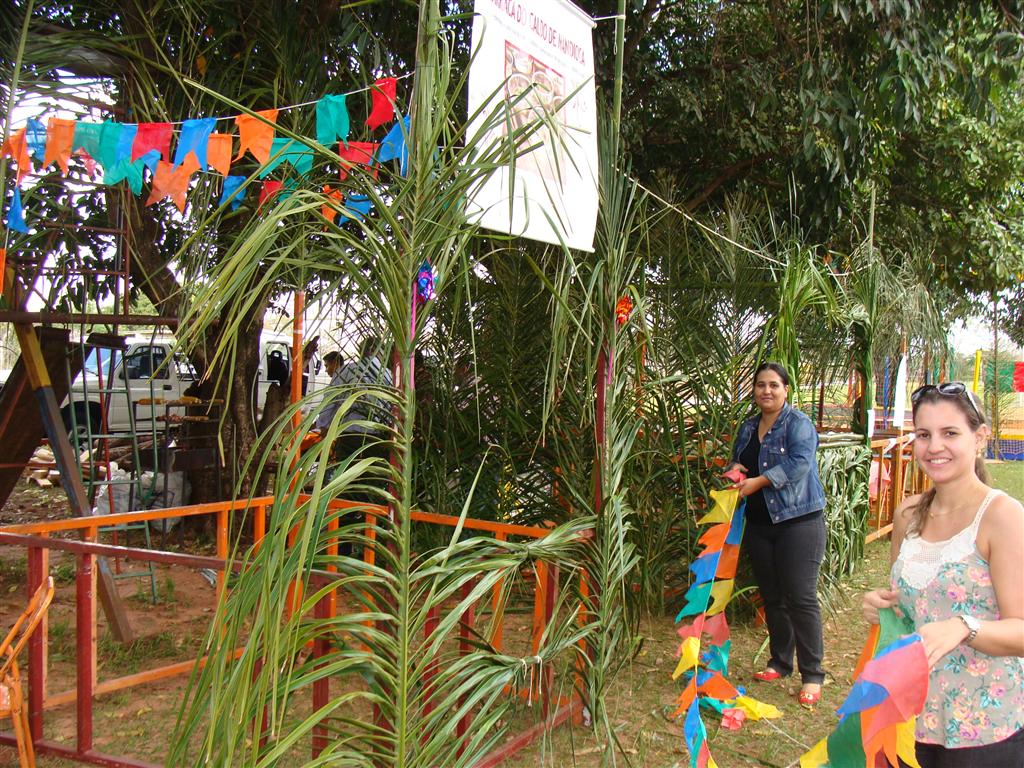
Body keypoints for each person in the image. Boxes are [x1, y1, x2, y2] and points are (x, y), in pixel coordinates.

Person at [862, 382, 1024, 767]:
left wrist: (965, 626)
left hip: (982, 731)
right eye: (923, 434)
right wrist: (882, 607)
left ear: (980, 437)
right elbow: (909, 608)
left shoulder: (1002, 517)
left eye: (950, 433)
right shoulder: (907, 514)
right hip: (909, 721)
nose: (934, 447)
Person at [725, 361, 827, 707]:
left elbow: (800, 464)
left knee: (800, 597)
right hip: (759, 524)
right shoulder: (749, 426)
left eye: (774, 385)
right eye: (760, 385)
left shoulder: (798, 424)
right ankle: (780, 662)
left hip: (799, 521)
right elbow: (738, 460)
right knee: (773, 599)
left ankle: (812, 675)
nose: (766, 391)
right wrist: (736, 470)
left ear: (786, 390)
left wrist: (760, 481)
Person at [313, 350, 344, 433]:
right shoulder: (345, 378)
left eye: (327, 366)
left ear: (334, 363)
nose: (326, 370)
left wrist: (319, 425)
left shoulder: (337, 382)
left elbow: (328, 408)